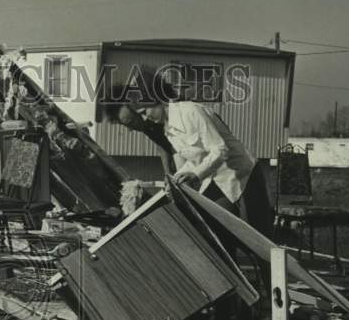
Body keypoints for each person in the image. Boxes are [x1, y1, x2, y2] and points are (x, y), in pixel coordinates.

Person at [109, 77, 274, 237]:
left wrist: (195, 174)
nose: (145, 118)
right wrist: (176, 179)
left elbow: (220, 149)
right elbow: (192, 159)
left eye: (145, 111)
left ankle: (267, 265)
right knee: (216, 230)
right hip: (216, 179)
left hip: (243, 175)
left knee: (256, 237)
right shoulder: (168, 130)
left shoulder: (191, 111)